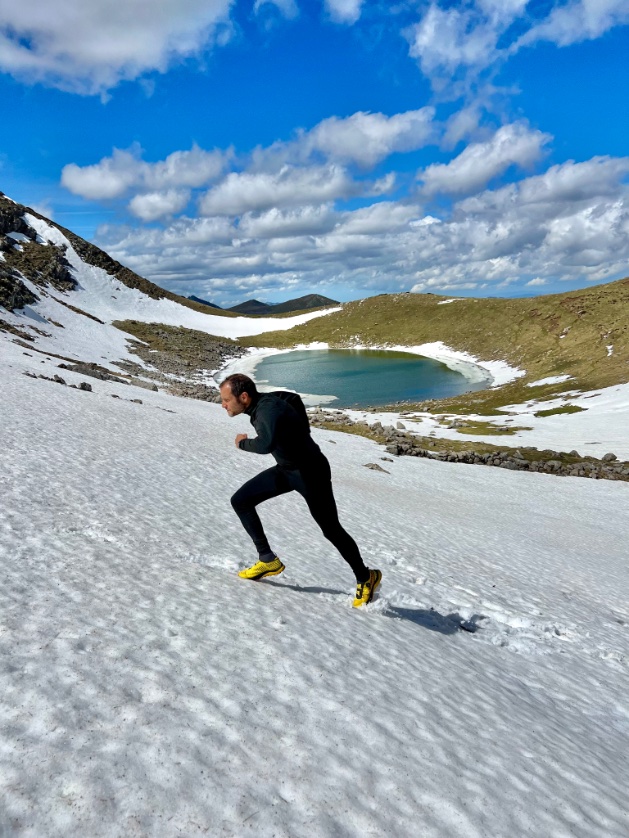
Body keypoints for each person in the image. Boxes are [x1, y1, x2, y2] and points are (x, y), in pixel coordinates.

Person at [219, 373, 382, 607]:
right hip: (286, 471)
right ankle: (267, 559)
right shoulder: (266, 403)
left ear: (243, 397)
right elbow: (293, 398)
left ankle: (367, 577)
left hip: (311, 474)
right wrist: (301, 432)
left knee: (331, 529)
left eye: (225, 400)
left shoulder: (267, 409)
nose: (223, 405)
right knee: (241, 501)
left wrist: (242, 443)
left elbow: (265, 444)